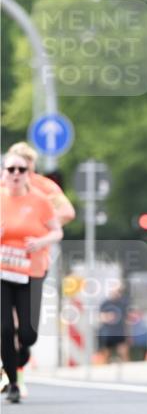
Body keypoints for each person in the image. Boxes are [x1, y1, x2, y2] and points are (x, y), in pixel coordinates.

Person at [1, 142, 75, 396]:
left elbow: (66, 213)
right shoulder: (2, 190)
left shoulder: (45, 189)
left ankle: (17, 362)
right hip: (3, 267)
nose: (18, 173)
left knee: (27, 331)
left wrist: (40, 231)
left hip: (33, 264)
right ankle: (12, 379)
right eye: (12, 167)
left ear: (31, 167)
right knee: (5, 328)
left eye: (24, 167)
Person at [97, 281, 130, 363]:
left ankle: (128, 370)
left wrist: (128, 333)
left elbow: (127, 319)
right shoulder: (105, 303)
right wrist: (108, 316)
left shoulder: (123, 303)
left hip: (120, 331)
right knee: (106, 353)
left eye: (119, 291)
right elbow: (101, 317)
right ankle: (104, 369)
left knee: (123, 352)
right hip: (108, 332)